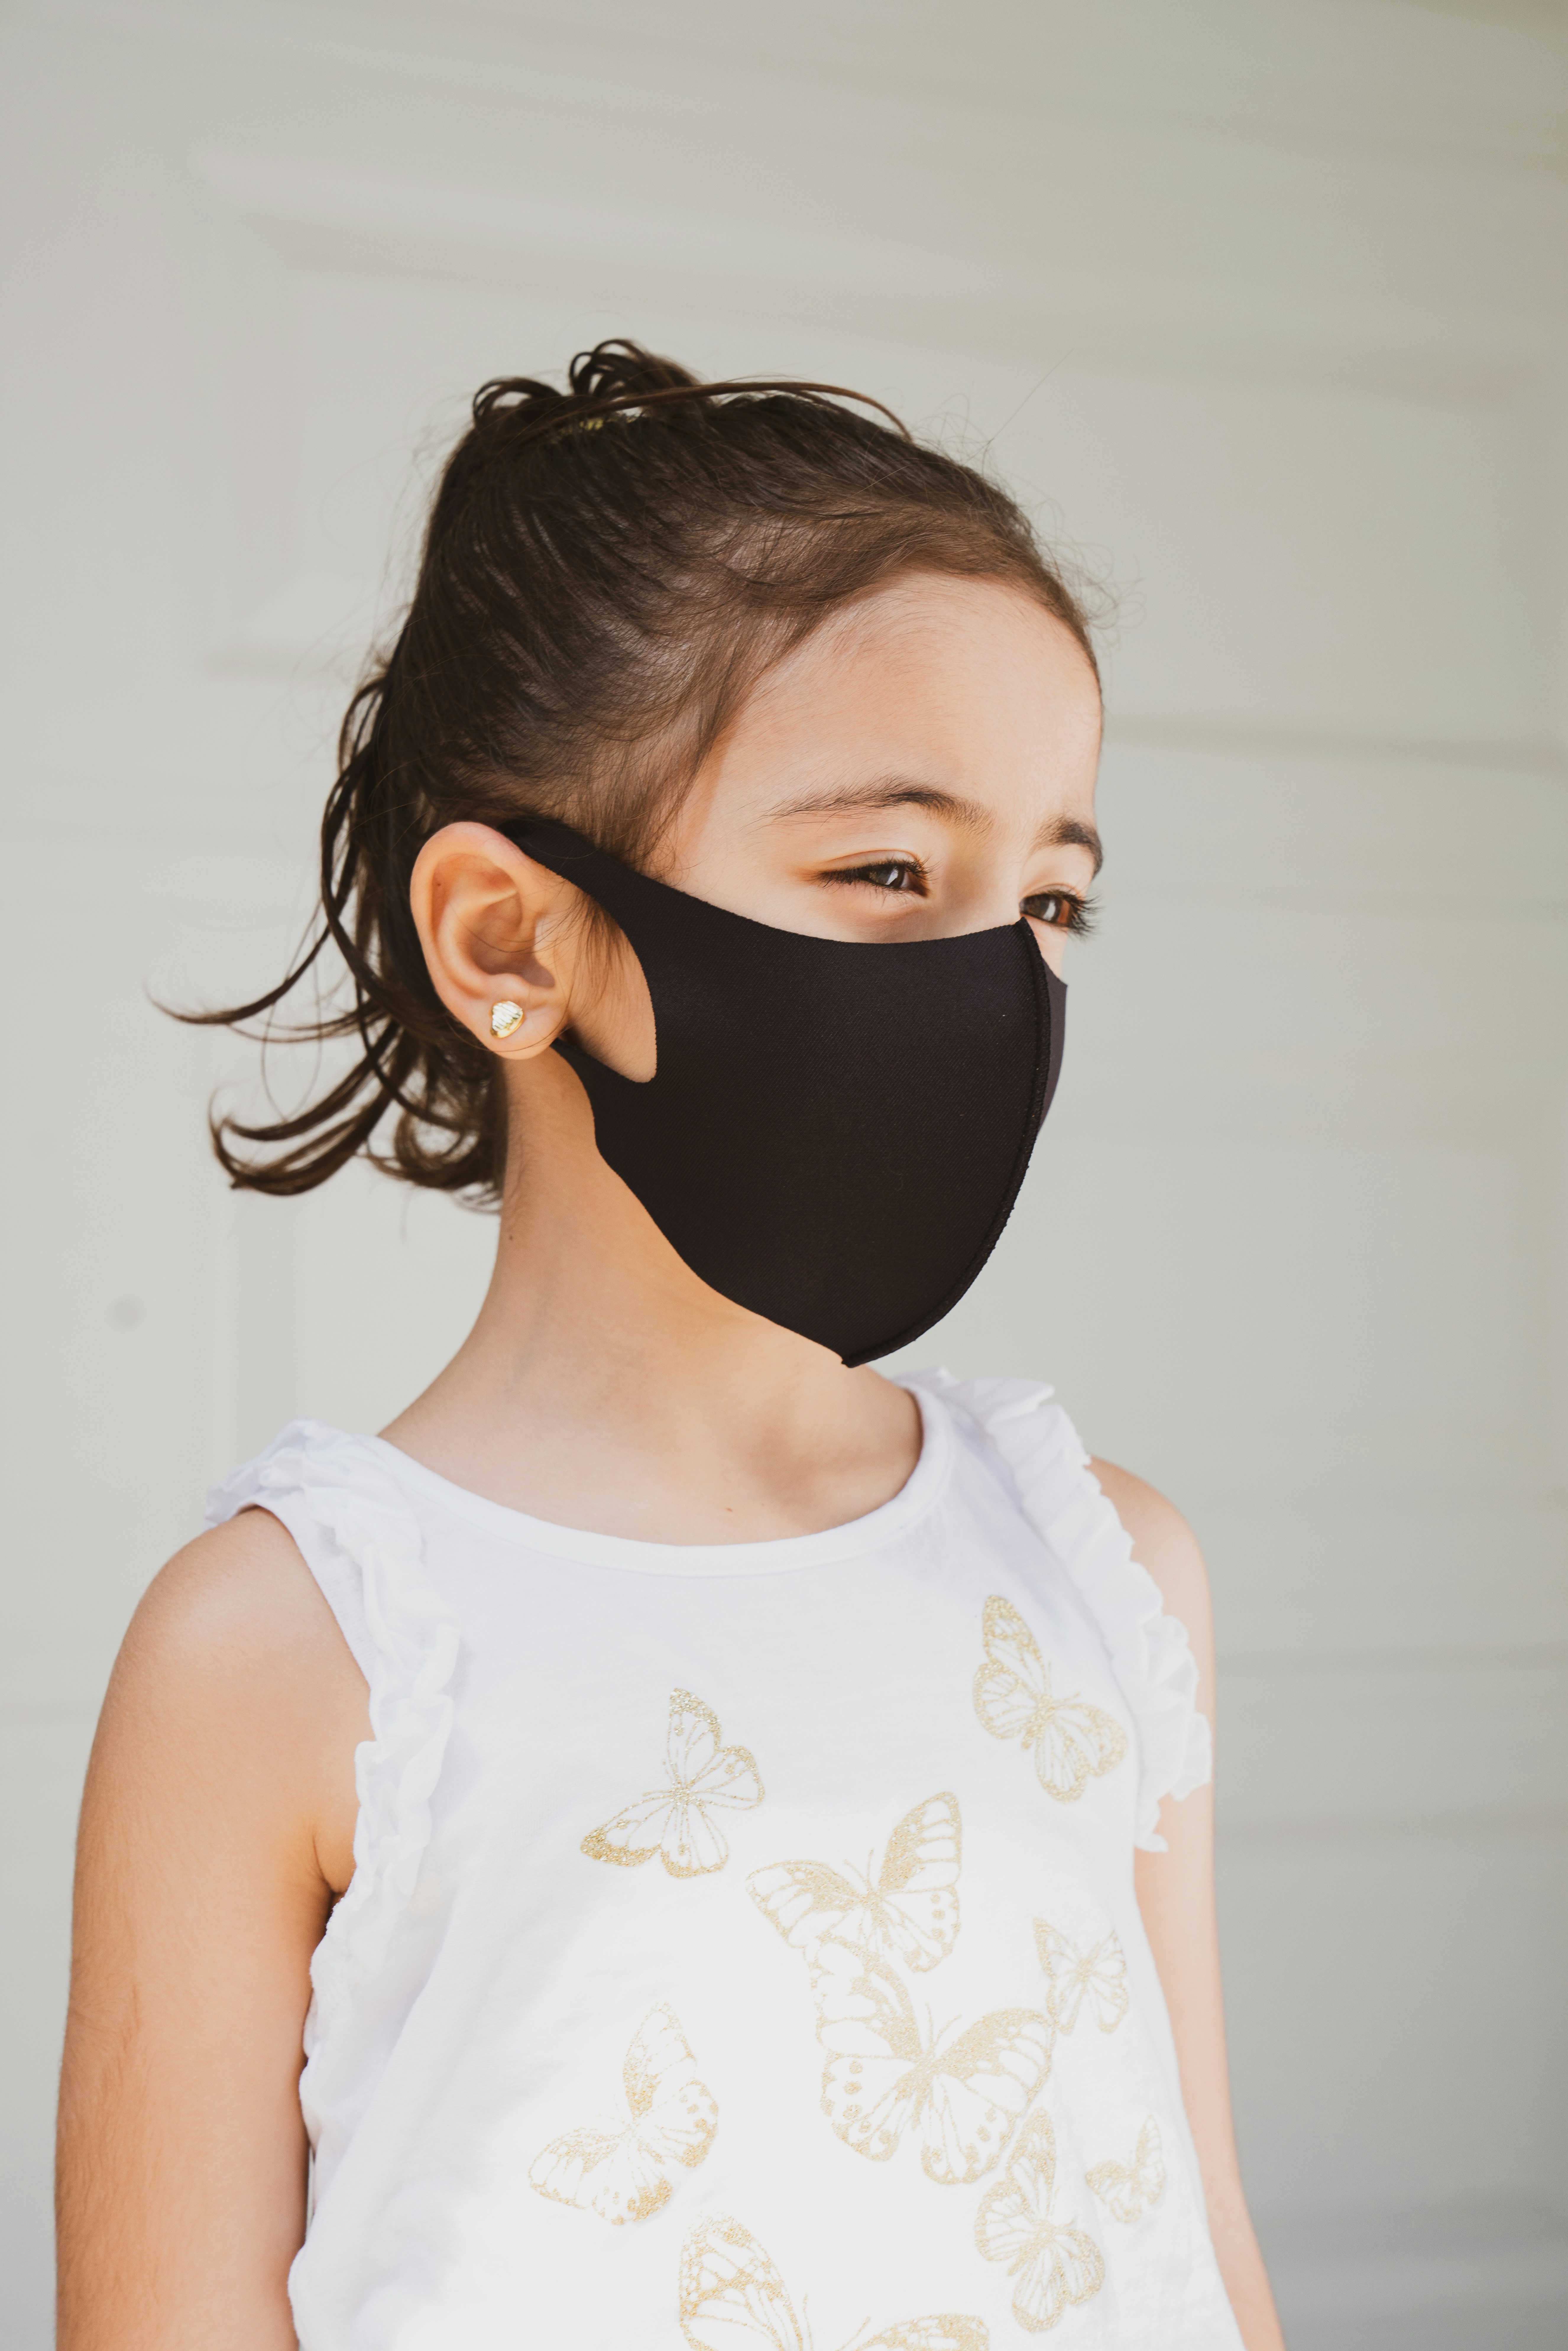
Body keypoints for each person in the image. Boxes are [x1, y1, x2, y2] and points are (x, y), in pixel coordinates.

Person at [56, 343, 1285, 2350]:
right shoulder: (292, 1650)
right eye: (888, 873)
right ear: (512, 942)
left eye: (1049, 899)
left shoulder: (1105, 1569)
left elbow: (1197, 2245)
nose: (995, 982)